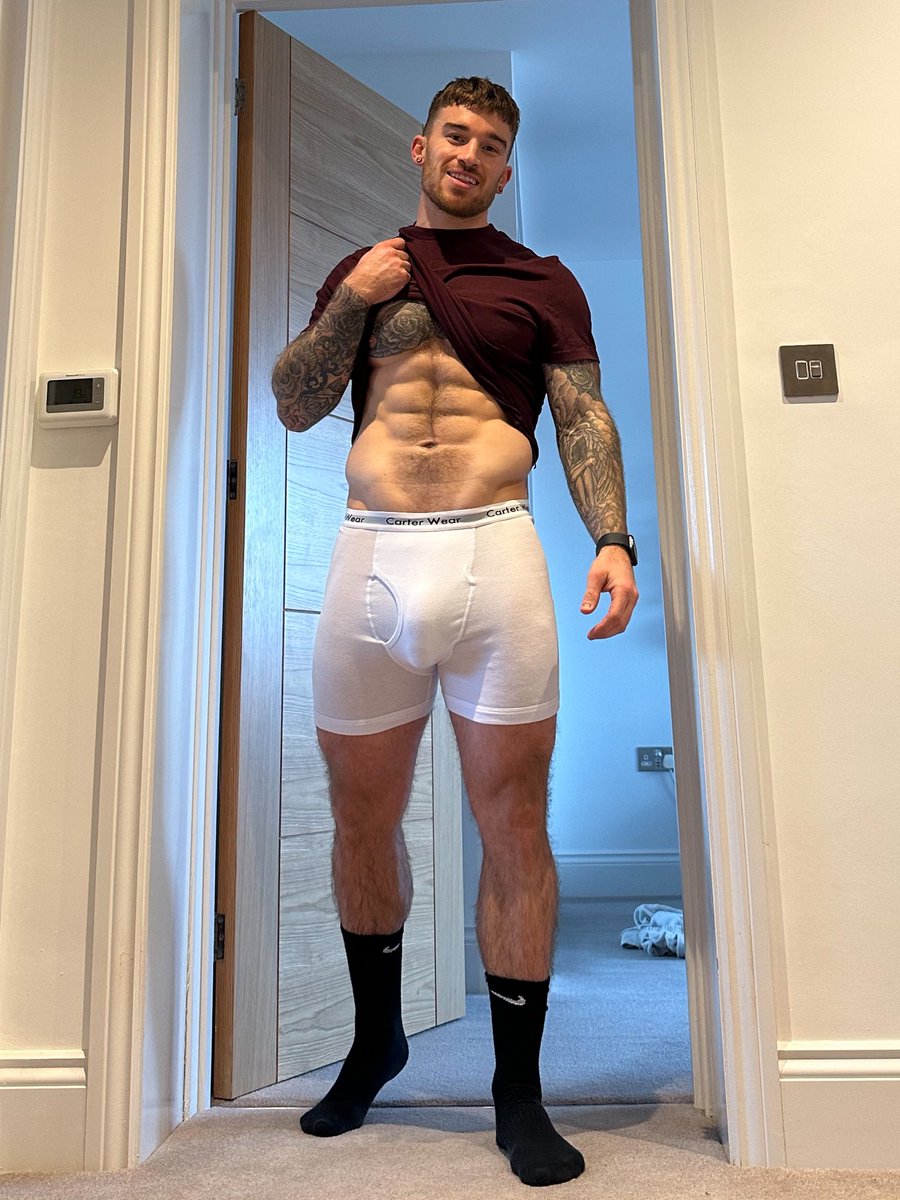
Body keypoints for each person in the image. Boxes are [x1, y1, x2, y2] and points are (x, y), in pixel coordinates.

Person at [271, 77, 639, 1188]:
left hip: (495, 552)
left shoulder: (543, 282)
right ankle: (375, 1043)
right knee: (361, 817)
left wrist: (614, 539)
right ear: (421, 147)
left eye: (491, 144)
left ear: (506, 170)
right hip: (373, 554)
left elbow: (582, 414)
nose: (470, 154)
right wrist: (353, 300)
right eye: (456, 136)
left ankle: (518, 1093)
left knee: (513, 821)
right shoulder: (368, 268)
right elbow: (294, 400)